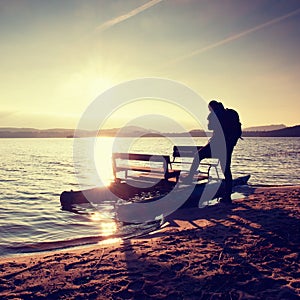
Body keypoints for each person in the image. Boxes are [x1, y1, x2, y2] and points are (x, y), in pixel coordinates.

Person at [183, 100, 241, 204]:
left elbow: (210, 127)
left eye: (209, 108)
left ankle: (189, 178)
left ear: (211, 107)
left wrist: (211, 119)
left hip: (217, 144)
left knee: (198, 156)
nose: (209, 110)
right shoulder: (230, 113)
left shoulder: (214, 114)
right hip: (228, 146)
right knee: (226, 170)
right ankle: (227, 197)